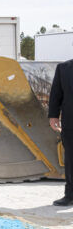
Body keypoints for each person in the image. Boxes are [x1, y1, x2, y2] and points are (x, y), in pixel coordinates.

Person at [49, 58, 73, 206]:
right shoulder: (63, 68)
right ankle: (69, 195)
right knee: (70, 159)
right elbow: (56, 93)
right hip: (70, 122)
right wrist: (53, 115)